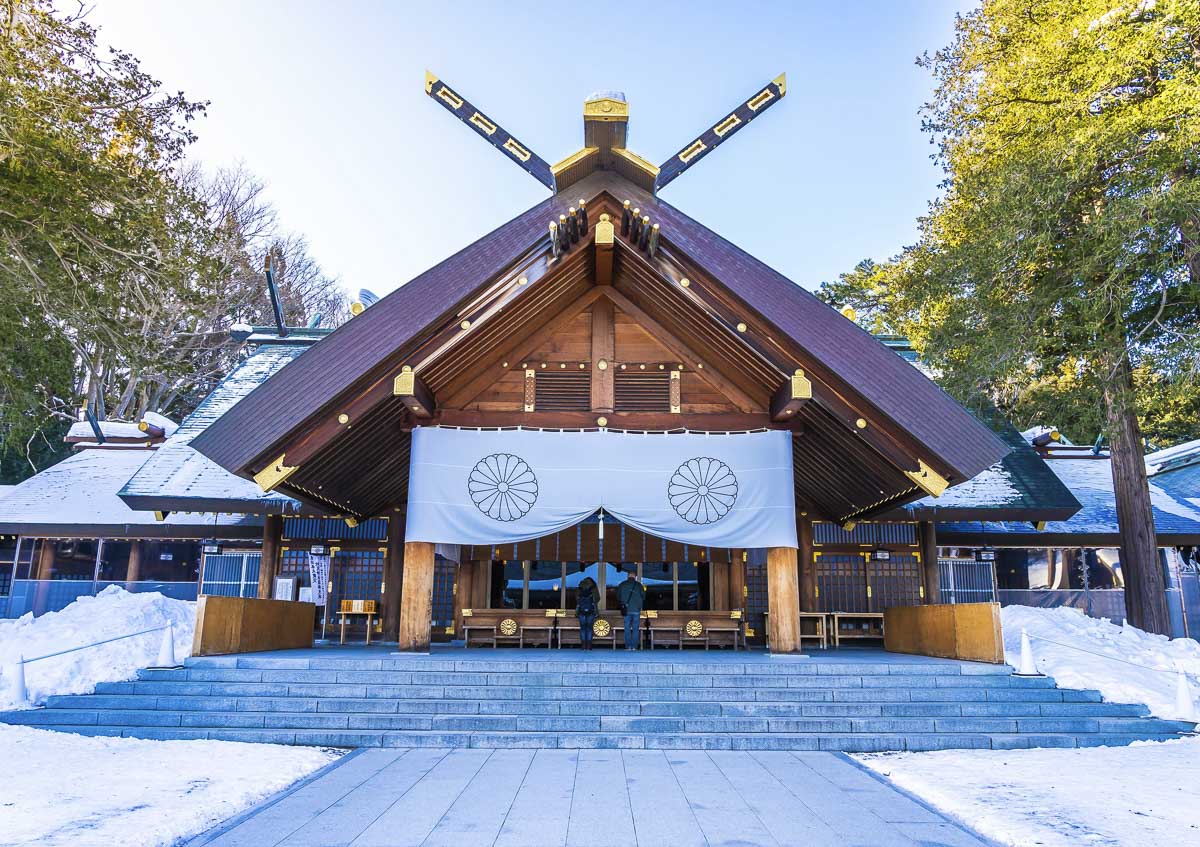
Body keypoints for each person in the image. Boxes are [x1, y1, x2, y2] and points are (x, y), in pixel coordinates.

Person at [615, 570, 646, 650]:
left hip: (626, 610)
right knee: (635, 629)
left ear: (627, 576)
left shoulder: (622, 584)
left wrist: (623, 603)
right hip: (636, 610)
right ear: (635, 576)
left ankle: (628, 646)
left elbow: (618, 597)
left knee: (627, 628)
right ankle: (634, 647)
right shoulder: (639, 585)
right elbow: (643, 597)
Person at [575, 576, 600, 651]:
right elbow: (597, 598)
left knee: (583, 629)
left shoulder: (580, 587)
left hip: (581, 611)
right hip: (591, 610)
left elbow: (577, 599)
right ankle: (589, 646)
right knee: (589, 629)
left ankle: (583, 646)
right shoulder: (593, 587)